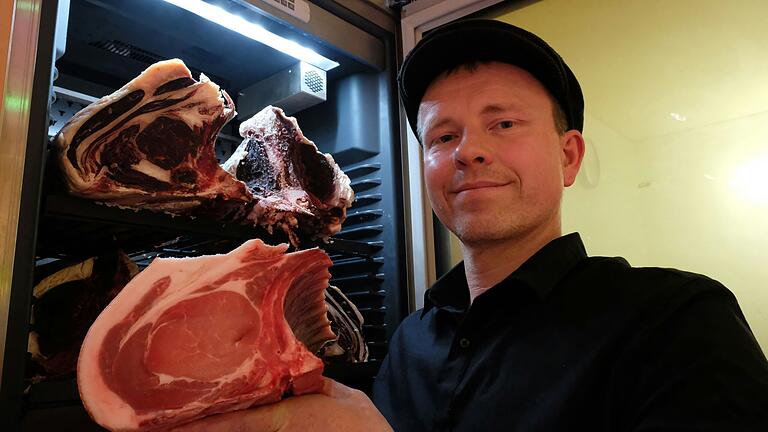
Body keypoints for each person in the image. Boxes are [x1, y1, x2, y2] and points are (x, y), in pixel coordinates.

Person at [176, 19, 768, 432]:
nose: (469, 152)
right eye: (443, 137)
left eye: (504, 124)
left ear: (569, 156)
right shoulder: (411, 342)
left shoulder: (676, 321)